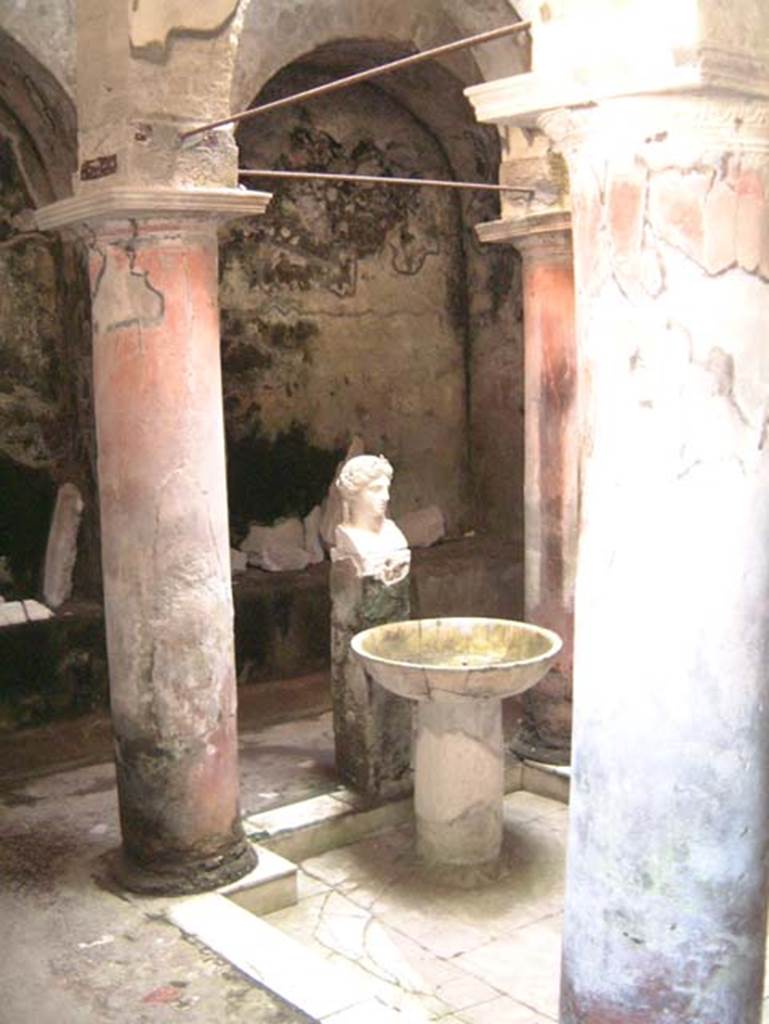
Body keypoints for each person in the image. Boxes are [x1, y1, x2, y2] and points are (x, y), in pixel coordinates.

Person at [332, 454, 410, 584]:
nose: (386, 497)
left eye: (387, 489)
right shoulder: (348, 536)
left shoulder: (393, 534)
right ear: (353, 494)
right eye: (376, 489)